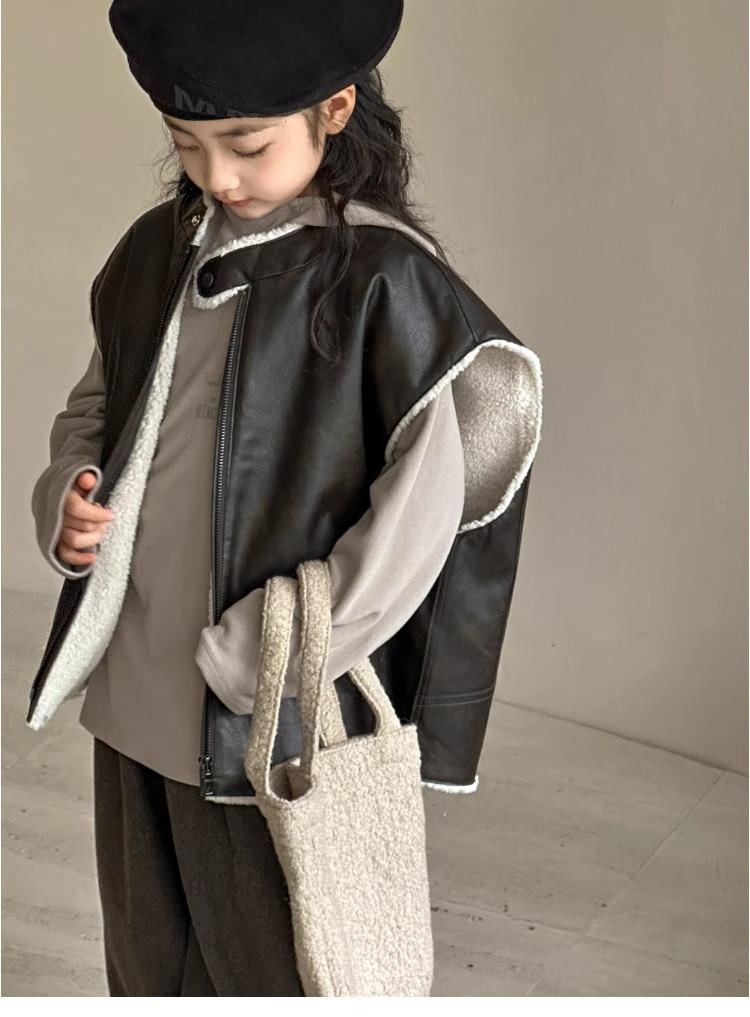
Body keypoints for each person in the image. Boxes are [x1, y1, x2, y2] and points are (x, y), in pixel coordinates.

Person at [28, 0, 543, 997]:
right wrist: (68, 495)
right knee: (146, 966)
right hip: (134, 690)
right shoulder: (156, 254)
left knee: (273, 969)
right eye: (188, 145)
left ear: (335, 109)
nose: (218, 176)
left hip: (264, 712)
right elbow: (97, 404)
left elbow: (428, 503)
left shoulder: (383, 280)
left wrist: (279, 650)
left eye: (248, 146)